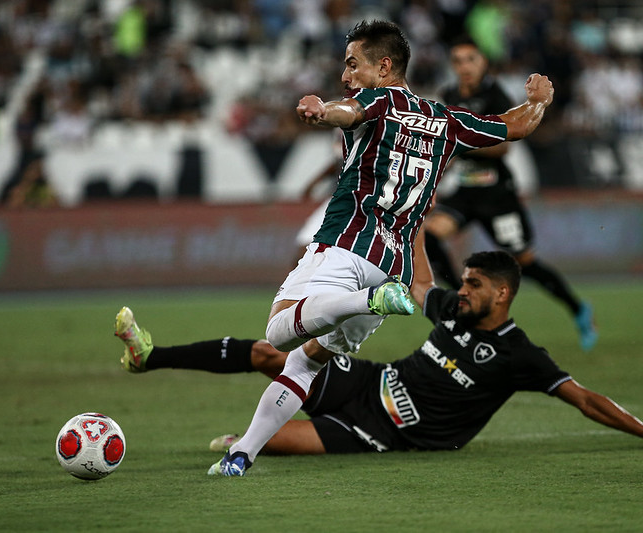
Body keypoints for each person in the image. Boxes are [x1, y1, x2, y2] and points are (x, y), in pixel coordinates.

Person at [118, 19, 553, 476]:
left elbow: (351, 111)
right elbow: (514, 126)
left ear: (384, 67)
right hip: (394, 267)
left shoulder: (380, 99)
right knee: (305, 366)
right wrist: (539, 100)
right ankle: (241, 454)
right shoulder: (445, 120)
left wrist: (322, 110)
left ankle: (365, 299)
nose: (346, 75)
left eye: (353, 64)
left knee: (280, 332)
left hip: (347, 245)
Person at [113, 244, 643, 460]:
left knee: (272, 444)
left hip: (391, 432)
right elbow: (421, 279)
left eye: (473, 284)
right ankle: (151, 355)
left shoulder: (521, 354)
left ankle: (245, 443)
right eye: (462, 281)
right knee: (276, 352)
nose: (460, 291)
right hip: (370, 382)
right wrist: (416, 220)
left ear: (502, 294)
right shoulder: (451, 309)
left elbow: (584, 399)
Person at [424, 36, 598, 351]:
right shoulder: (448, 95)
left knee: (525, 263)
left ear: (483, 64)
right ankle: (457, 304)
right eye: (458, 61)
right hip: (465, 191)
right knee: (430, 236)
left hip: (496, 195)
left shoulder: (495, 95)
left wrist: (465, 141)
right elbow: (446, 146)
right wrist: (435, 180)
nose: (464, 67)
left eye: (471, 60)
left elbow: (502, 147)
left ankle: (578, 308)